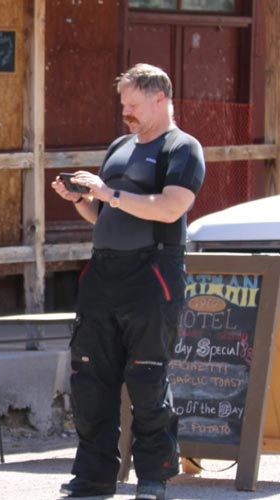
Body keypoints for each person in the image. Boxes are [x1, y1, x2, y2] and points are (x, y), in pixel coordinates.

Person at [51, 63, 205, 500]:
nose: (126, 113)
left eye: (133, 105)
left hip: (152, 272)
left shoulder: (183, 148)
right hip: (104, 272)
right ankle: (94, 476)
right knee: (90, 376)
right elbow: (103, 214)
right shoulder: (120, 146)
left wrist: (107, 193)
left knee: (148, 378)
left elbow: (170, 208)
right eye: (123, 104)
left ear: (160, 99)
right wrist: (82, 198)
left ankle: (154, 476)